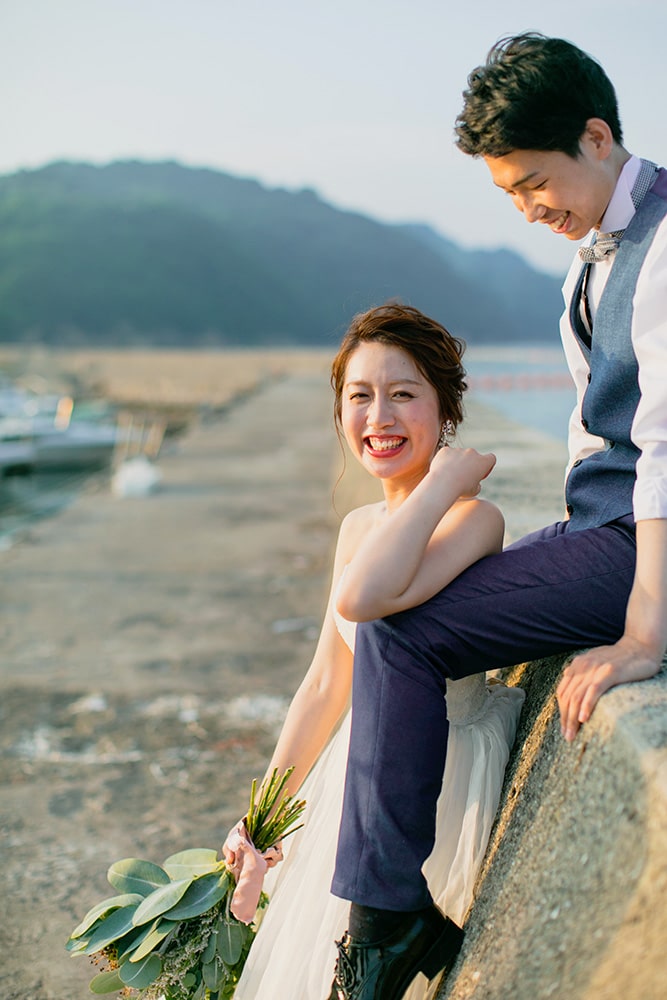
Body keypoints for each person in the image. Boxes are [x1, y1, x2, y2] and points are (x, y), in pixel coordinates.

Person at [326, 32, 667, 1000]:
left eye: (533, 181)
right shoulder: (589, 262)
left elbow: (663, 449)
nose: (528, 208)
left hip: (643, 546)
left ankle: (386, 924)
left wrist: (644, 630)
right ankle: (388, 917)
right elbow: (595, 436)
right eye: (507, 194)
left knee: (400, 630)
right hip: (604, 528)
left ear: (596, 137)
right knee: (404, 610)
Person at [231, 303, 525, 1000]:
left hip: (434, 784)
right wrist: (262, 816)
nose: (378, 416)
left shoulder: (473, 519)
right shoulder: (358, 525)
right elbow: (324, 687)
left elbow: (373, 595)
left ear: (445, 412)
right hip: (354, 781)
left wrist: (447, 483)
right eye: (359, 396)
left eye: (403, 394)